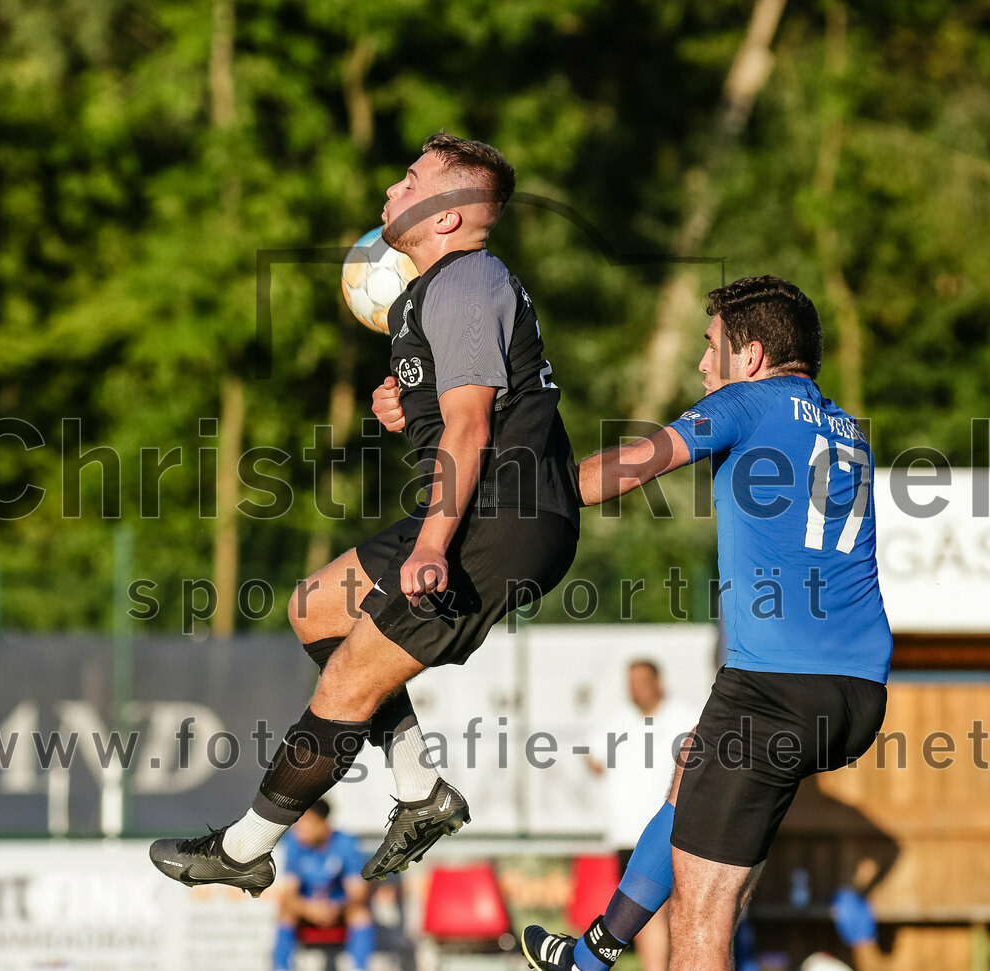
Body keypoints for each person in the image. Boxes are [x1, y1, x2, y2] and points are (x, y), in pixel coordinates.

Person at [150, 132, 581, 894]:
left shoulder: (466, 281)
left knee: (348, 680)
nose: (390, 192)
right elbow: (467, 404)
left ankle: (245, 847)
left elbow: (474, 427)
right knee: (316, 608)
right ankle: (420, 791)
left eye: (409, 180)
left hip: (495, 518)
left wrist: (432, 547)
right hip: (480, 508)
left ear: (447, 215)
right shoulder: (440, 289)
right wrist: (407, 402)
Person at [520, 277, 892, 970]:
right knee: (691, 764)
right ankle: (594, 952)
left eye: (709, 346)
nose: (701, 365)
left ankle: (592, 956)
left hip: (773, 689)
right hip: (858, 694)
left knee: (702, 909)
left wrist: (515, 489)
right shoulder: (847, 430)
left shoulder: (746, 401)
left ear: (749, 355)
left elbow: (627, 469)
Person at [585, 660, 697, 971]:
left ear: (658, 681)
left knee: (681, 913)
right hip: (630, 833)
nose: (636, 688)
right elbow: (593, 759)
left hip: (674, 831)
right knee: (647, 915)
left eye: (642, 680)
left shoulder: (685, 715)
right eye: (631, 682)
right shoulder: (618, 722)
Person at [272, 800, 374, 971]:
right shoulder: (294, 844)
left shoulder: (345, 843)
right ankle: (280, 968)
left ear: (323, 824)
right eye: (298, 826)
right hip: (306, 909)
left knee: (360, 914)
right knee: (286, 912)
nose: (299, 831)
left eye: (306, 825)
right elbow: (289, 893)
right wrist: (307, 908)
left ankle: (359, 967)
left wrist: (337, 908)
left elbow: (358, 892)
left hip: (339, 908)